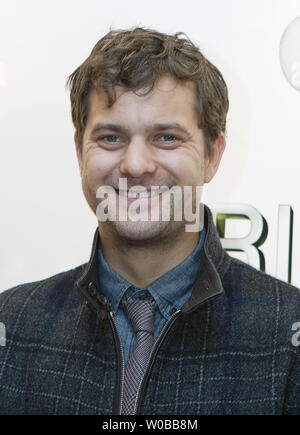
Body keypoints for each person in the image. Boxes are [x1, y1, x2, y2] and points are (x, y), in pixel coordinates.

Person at [0, 27, 299, 416]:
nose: (136, 165)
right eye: (111, 138)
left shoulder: (287, 337)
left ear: (213, 155)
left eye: (166, 138)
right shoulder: (13, 325)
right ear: (79, 152)